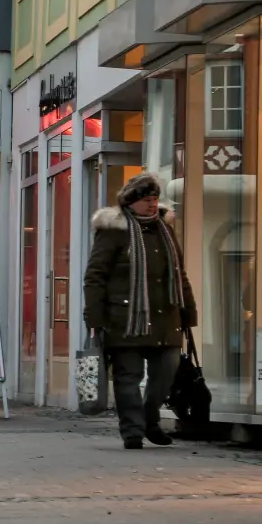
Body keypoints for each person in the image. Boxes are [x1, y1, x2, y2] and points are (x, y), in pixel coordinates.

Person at [83, 172, 197, 449]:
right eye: (146, 199)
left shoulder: (165, 230)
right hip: (125, 318)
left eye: (154, 198)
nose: (151, 204)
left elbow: (179, 274)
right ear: (130, 203)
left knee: (166, 373)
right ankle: (133, 431)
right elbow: (95, 275)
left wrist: (188, 312)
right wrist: (95, 318)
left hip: (166, 315)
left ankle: (149, 417)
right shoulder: (113, 230)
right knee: (128, 377)